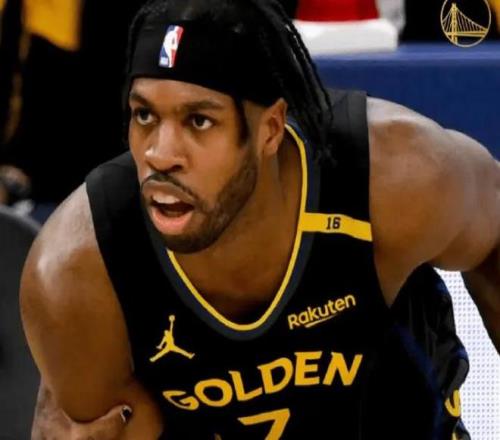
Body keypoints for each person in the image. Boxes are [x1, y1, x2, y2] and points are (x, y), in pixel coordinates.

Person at [20, 0, 499, 438]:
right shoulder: (79, 270)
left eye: (199, 121)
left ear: (270, 130)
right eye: (145, 116)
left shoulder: (394, 176)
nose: (160, 155)